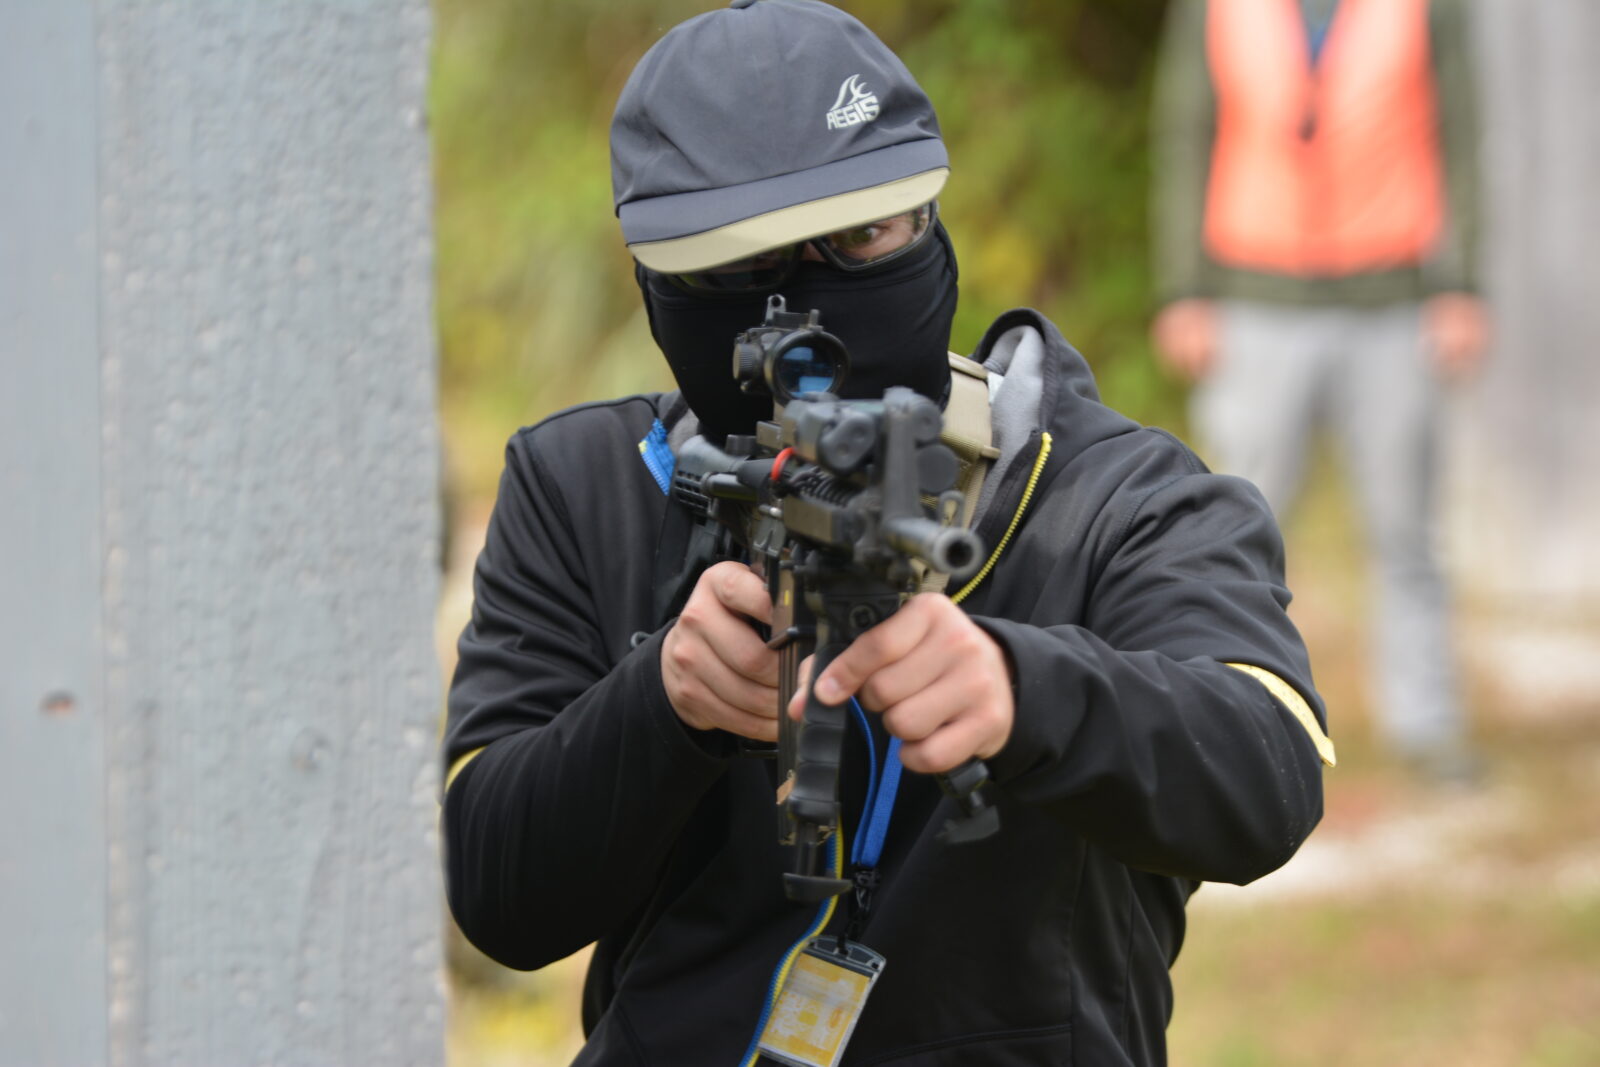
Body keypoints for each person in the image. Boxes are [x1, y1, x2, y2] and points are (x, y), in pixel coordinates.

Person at [443, 2, 1332, 1063]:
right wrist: (660, 705)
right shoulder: (583, 484)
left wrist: (1024, 690)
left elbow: (1269, 769)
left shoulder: (1113, 495)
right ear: (661, 281)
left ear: (927, 221)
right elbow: (499, 892)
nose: (809, 304)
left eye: (862, 236)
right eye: (739, 269)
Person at [1149, 0, 1487, 784]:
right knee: (1233, 531)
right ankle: (1224, 722)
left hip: (1393, 302)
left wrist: (1462, 283)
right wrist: (1184, 288)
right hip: (1256, 303)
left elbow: (1463, 135)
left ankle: (1428, 728)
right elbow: (1186, 134)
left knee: (1407, 533)